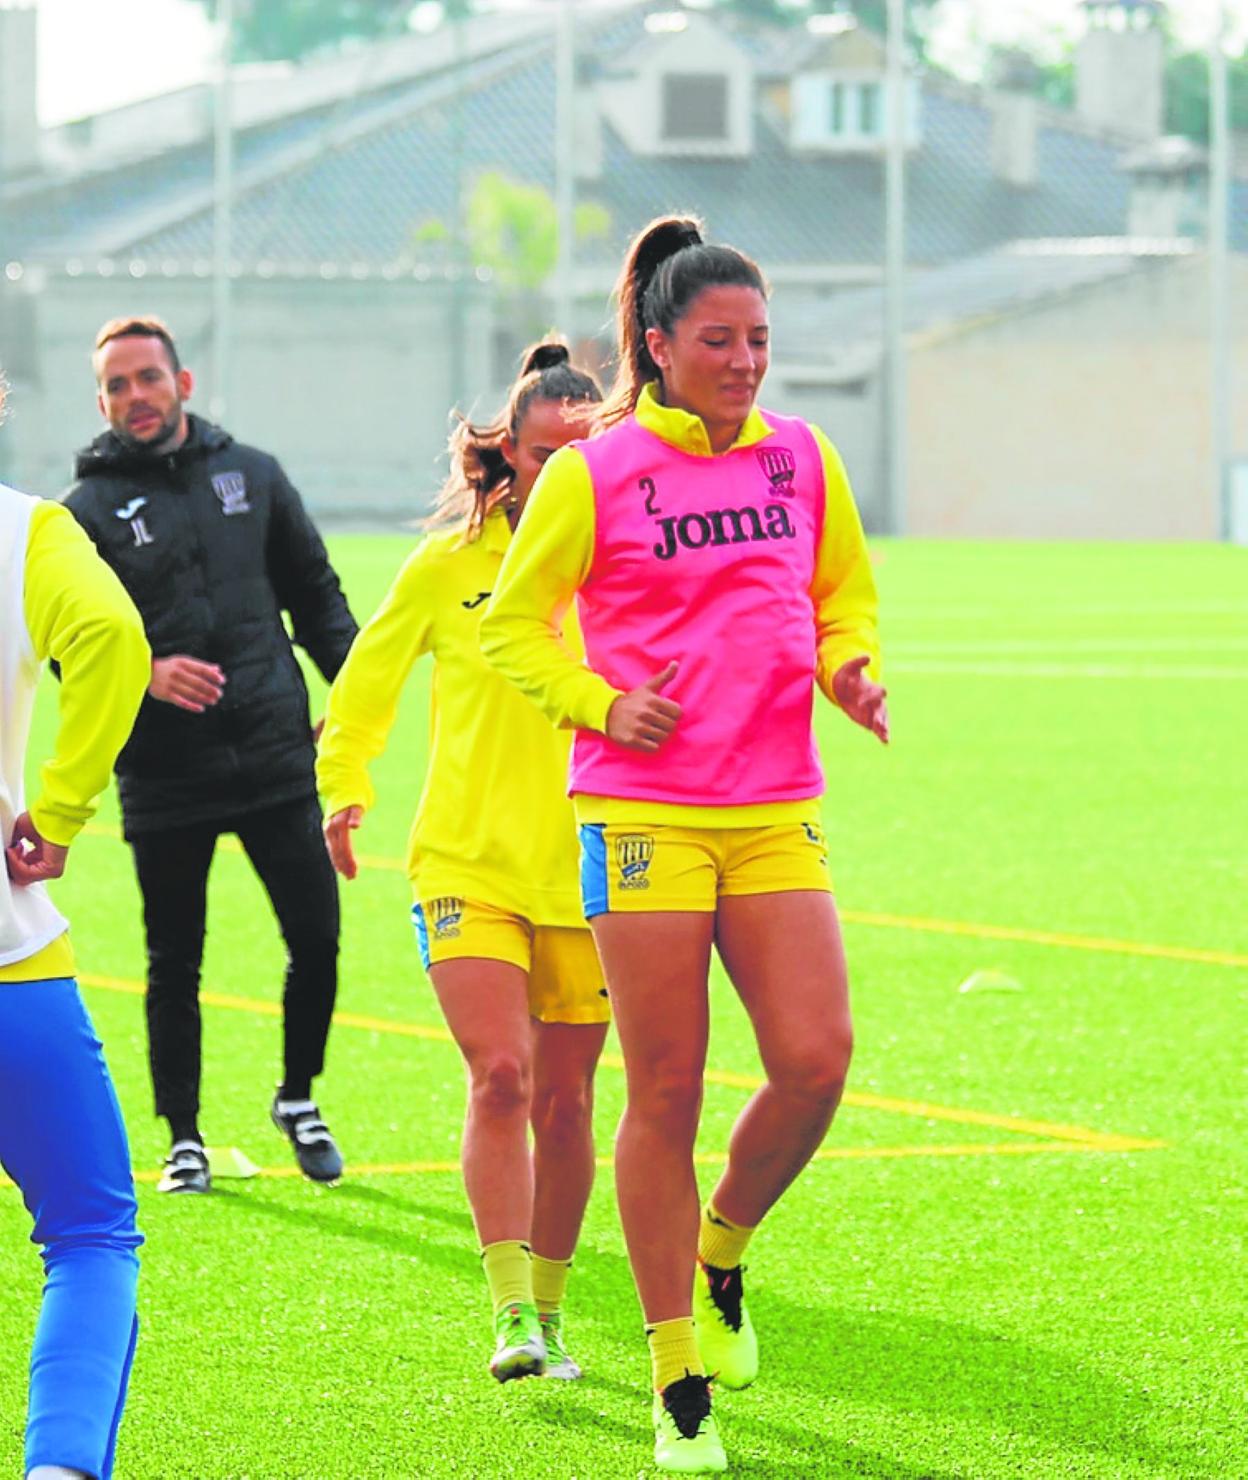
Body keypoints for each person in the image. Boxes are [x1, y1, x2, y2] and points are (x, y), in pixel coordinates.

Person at [481, 218, 887, 1473]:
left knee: (817, 1059)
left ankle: (724, 1248)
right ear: (657, 348)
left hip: (773, 804)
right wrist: (603, 703)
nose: (747, 361)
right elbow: (514, 628)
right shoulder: (592, 473)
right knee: (663, 1087)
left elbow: (838, 592)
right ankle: (676, 1382)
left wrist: (848, 665)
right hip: (641, 813)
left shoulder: (804, 458)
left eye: (760, 340)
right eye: (720, 341)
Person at [317, 342, 611, 1384]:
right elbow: (365, 683)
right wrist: (343, 785)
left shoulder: (626, 571)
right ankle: (510, 1317)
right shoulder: (448, 568)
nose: (561, 476)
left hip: (597, 872)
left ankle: (556, 1307)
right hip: (464, 867)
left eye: (584, 454)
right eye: (542, 456)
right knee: (500, 1075)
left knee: (568, 1105)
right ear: (510, 458)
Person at [63, 316, 358, 1194]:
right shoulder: (82, 513)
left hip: (274, 756)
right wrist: (145, 671)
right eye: (117, 386)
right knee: (173, 959)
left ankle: (299, 1096)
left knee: (316, 935)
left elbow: (316, 596)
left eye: (148, 378)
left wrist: (357, 700)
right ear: (103, 401)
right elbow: (63, 642)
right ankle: (183, 1134)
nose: (135, 398)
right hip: (165, 774)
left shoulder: (252, 476)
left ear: (183, 383)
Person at [1, 369, 151, 1480]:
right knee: (91, 1236)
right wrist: (54, 812)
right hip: (11, 965)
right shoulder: (27, 536)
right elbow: (113, 637)